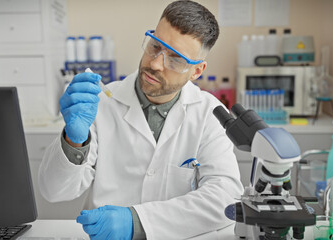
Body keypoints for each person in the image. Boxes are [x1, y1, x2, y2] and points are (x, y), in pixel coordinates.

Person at [39, 1, 244, 239]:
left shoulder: (210, 113)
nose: (155, 63)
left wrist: (137, 221)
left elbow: (224, 199)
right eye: (155, 46)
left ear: (196, 71)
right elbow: (54, 192)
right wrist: (74, 141)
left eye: (175, 59)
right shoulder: (101, 104)